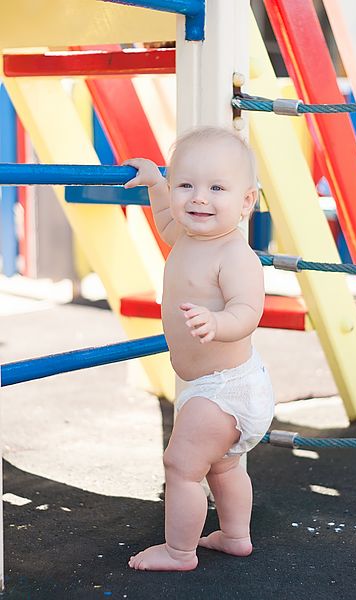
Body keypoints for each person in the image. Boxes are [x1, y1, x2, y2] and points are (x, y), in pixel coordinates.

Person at [123, 126, 275, 571]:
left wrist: (218, 322)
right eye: (185, 185)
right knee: (224, 467)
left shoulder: (235, 254)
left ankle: (179, 551)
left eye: (216, 188)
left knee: (181, 466)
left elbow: (248, 311)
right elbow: (167, 223)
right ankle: (234, 536)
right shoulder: (188, 235)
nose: (198, 198)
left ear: (246, 202)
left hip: (226, 388)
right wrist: (154, 184)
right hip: (216, 388)